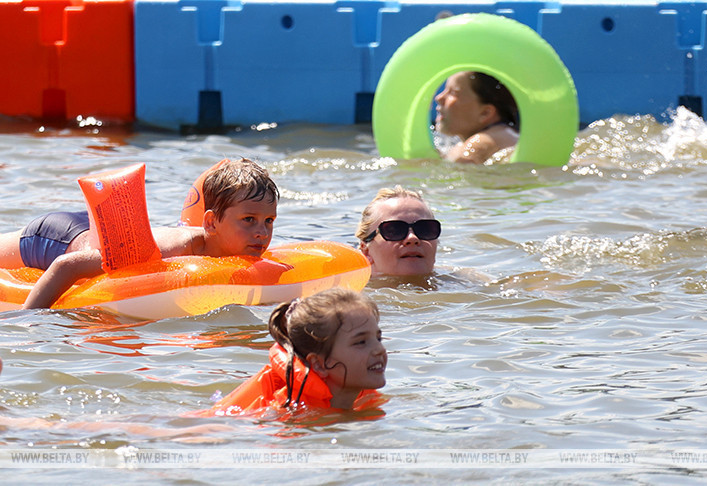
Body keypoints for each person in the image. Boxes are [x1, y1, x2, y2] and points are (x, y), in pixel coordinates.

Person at [0, 158, 279, 308]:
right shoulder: (169, 251)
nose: (261, 232)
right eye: (249, 220)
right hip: (56, 239)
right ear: (211, 223)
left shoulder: (240, 251)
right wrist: (31, 323)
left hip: (91, 229)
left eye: (268, 221)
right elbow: (65, 266)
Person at [202, 288, 387, 417]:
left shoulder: (363, 397)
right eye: (361, 342)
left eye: (378, 338)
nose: (379, 349)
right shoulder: (291, 415)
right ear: (318, 364)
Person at [434, 71, 519, 164]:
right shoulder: (502, 136)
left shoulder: (481, 141)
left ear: (485, 113)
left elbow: (455, 174)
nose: (439, 98)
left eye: (453, 93)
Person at [356, 186, 440, 277]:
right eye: (394, 230)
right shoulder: (346, 287)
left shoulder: (455, 281)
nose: (412, 238)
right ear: (366, 251)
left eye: (425, 229)